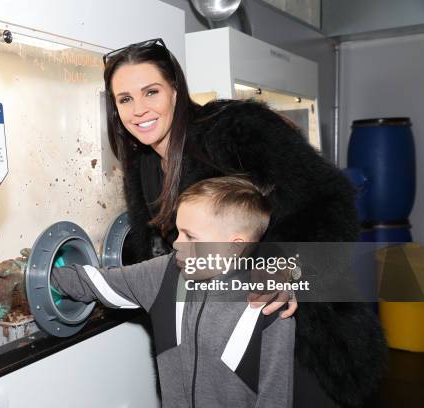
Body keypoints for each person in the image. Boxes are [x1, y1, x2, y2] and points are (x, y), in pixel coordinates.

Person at [102, 38, 386, 407]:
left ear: (174, 89)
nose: (139, 110)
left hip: (295, 333)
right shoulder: (142, 168)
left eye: (150, 92)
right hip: (218, 355)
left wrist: (278, 263)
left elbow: (331, 200)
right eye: (125, 99)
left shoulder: (234, 129)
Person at [51, 176, 295, 408]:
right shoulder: (164, 275)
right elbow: (93, 281)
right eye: (179, 231)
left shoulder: (269, 304)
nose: (177, 243)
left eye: (190, 235)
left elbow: (275, 397)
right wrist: (34, 274)